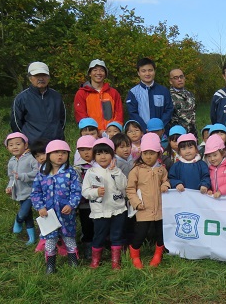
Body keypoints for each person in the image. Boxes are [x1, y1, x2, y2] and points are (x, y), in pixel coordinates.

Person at [31, 140, 81, 274]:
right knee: (50, 239)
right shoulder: (42, 173)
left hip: (66, 214)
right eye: (56, 153)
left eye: (64, 153)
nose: (60, 156)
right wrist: (40, 207)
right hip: (48, 215)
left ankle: (73, 261)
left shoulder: (71, 172)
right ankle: (50, 265)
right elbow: (36, 192)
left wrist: (71, 205)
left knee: (69, 237)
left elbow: (76, 191)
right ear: (48, 155)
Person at [82, 138, 128, 270]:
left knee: (117, 235)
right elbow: (85, 191)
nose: (103, 157)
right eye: (99, 154)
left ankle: (116, 261)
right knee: (99, 235)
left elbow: (123, 186)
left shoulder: (116, 170)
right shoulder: (91, 172)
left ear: (112, 155)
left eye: (106, 153)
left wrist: (115, 172)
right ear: (94, 156)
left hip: (117, 209)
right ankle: (96, 260)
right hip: (100, 211)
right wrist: (95, 192)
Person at [126, 133, 170, 269]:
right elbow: (130, 189)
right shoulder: (137, 170)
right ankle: (134, 254)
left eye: (152, 153)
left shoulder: (161, 169)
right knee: (140, 233)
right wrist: (136, 203)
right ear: (141, 154)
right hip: (143, 208)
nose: (148, 156)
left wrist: (165, 185)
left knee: (160, 233)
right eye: (145, 153)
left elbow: (166, 180)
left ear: (158, 154)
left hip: (160, 208)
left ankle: (158, 254)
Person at [11, 62, 66, 145]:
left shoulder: (56, 96)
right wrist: (25, 141)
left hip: (56, 145)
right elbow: (16, 124)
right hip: (33, 146)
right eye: (37, 76)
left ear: (49, 77)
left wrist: (58, 134)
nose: (41, 78)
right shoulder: (21, 98)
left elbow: (63, 120)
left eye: (44, 75)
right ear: (30, 78)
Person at [5, 132, 38, 245]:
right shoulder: (12, 161)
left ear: (26, 145)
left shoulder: (31, 158)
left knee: (23, 213)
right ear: (7, 147)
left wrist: (23, 176)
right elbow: (11, 177)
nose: (14, 147)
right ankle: (32, 238)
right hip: (19, 192)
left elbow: (36, 173)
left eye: (18, 144)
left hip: (31, 192)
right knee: (28, 215)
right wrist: (9, 187)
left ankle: (18, 220)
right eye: (11, 145)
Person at [74, 59, 124, 133]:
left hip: (111, 135)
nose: (98, 73)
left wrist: (113, 131)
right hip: (91, 134)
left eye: (101, 70)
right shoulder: (82, 93)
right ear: (90, 73)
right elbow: (81, 116)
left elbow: (119, 114)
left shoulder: (113, 93)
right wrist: (95, 131)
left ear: (105, 74)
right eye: (95, 70)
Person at [126, 57, 174, 131]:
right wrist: (145, 128)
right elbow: (133, 113)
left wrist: (159, 127)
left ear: (154, 71)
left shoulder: (163, 90)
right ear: (138, 73)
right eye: (143, 71)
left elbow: (169, 110)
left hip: (161, 133)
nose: (147, 73)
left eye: (150, 70)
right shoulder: (133, 92)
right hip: (142, 133)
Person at [168, 68, 197, 136]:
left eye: (181, 77)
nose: (179, 79)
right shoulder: (168, 96)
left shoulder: (190, 95)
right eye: (176, 78)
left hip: (192, 133)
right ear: (170, 81)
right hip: (177, 134)